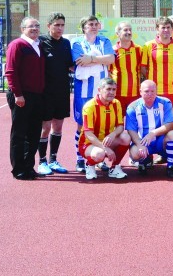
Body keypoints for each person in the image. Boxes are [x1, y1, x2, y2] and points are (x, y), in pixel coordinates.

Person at [71, 15, 115, 172]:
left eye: (96, 24)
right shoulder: (77, 42)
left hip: (102, 90)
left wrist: (91, 58)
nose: (94, 26)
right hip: (83, 91)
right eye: (91, 24)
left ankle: (100, 158)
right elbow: (79, 61)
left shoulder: (105, 41)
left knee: (101, 124)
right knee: (82, 125)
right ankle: (79, 158)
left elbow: (110, 59)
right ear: (84, 27)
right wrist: (99, 60)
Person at [5, 17, 46, 180]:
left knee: (34, 134)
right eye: (31, 26)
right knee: (19, 134)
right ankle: (18, 169)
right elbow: (11, 71)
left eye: (37, 25)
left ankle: (29, 167)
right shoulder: (17, 45)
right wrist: (18, 94)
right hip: (22, 95)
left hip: (37, 96)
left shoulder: (38, 45)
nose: (35, 28)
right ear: (22, 29)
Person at [141, 16, 173, 164]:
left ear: (172, 29)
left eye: (168, 27)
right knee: (154, 122)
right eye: (163, 27)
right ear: (157, 29)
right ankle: (150, 155)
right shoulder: (148, 46)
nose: (166, 30)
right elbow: (143, 69)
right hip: (155, 92)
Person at [36, 12, 72, 175]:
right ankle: (42, 161)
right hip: (45, 92)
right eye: (56, 25)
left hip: (62, 91)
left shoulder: (66, 43)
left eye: (62, 25)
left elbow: (71, 65)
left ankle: (53, 160)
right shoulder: (40, 42)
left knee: (58, 127)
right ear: (48, 26)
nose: (60, 28)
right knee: (45, 128)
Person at [79, 77, 131, 180]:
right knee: (99, 153)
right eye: (108, 89)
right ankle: (90, 164)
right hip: (88, 143)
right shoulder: (90, 106)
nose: (111, 92)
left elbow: (121, 126)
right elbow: (88, 134)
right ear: (99, 90)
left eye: (114, 89)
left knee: (126, 137)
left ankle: (114, 168)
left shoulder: (116, 103)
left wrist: (113, 134)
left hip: (107, 140)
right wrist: (105, 148)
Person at [125, 80, 173, 178]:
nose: (150, 94)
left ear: (156, 91)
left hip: (160, 140)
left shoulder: (165, 103)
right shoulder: (132, 107)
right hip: (142, 141)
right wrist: (139, 145)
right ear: (140, 91)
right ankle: (143, 162)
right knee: (135, 153)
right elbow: (131, 130)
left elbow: (171, 124)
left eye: (152, 91)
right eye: (146, 91)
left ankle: (170, 166)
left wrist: (153, 133)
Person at [109, 21, 142, 115]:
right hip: (118, 93)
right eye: (125, 30)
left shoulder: (139, 49)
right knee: (118, 122)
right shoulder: (112, 50)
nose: (129, 32)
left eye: (130, 30)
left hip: (135, 93)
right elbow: (108, 72)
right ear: (117, 33)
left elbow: (143, 69)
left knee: (135, 121)